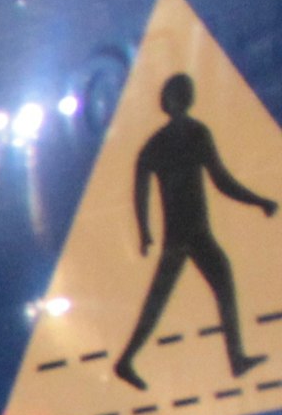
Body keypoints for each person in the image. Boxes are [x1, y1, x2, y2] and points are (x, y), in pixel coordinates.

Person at [116, 71, 280, 389]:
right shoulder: (162, 143)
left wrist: (258, 200)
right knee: (160, 300)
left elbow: (221, 181)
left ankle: (235, 359)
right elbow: (140, 190)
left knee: (209, 286)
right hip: (183, 236)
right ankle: (126, 361)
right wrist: (144, 231)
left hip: (194, 233)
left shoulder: (190, 136)